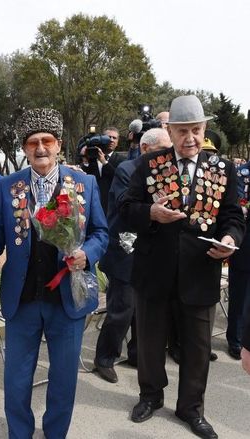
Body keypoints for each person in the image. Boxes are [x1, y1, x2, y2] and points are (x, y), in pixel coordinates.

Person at [0, 108, 108, 438]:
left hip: (67, 299)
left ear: (58, 144)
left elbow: (101, 233)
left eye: (47, 141)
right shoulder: (8, 186)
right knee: (16, 381)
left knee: (63, 381)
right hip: (22, 300)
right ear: (24, 147)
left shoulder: (84, 184)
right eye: (32, 142)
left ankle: (55, 434)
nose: (40, 148)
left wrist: (87, 254)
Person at [121, 95, 245, 439]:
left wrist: (230, 239)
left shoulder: (223, 168)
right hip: (154, 271)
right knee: (150, 343)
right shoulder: (149, 164)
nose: (189, 138)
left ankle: (191, 408)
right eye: (182, 131)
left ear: (204, 130)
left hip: (201, 271)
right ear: (171, 131)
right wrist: (150, 213)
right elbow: (126, 209)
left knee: (198, 349)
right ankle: (150, 396)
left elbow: (233, 217)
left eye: (196, 130)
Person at [95, 128, 172, 383]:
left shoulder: (166, 171)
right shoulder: (126, 170)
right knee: (122, 309)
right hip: (124, 250)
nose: (168, 154)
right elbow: (125, 205)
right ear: (145, 148)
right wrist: (153, 209)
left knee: (145, 308)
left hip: (151, 250)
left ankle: (137, 354)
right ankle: (105, 358)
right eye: (163, 149)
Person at [226, 156, 250, 360]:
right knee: (241, 296)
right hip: (246, 246)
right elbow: (240, 208)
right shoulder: (242, 174)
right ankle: (236, 339)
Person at [78, 126, 125, 212]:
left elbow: (119, 178)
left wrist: (104, 162)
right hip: (92, 202)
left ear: (117, 142)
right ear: (101, 139)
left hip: (112, 205)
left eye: (114, 138)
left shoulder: (121, 159)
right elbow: (83, 177)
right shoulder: (92, 156)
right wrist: (85, 160)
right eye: (109, 137)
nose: (111, 140)